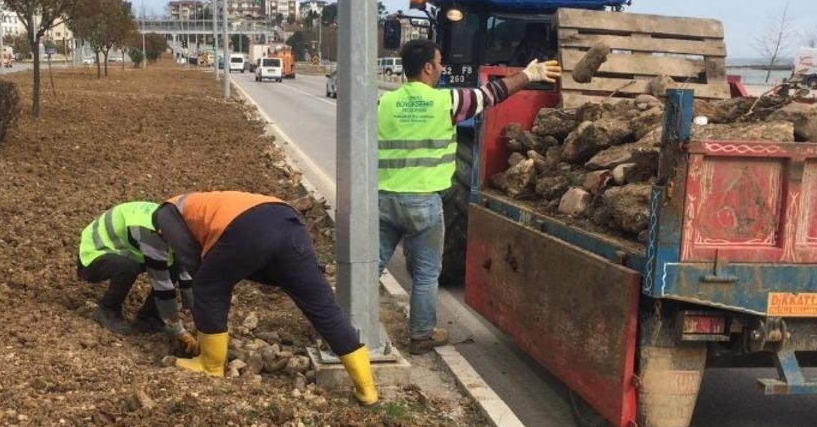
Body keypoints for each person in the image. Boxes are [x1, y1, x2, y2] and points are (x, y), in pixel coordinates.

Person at [377, 38, 560, 353]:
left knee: (369, 266)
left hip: (386, 198)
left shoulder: (386, 103)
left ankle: (349, 330)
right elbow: (491, 94)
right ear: (428, 67)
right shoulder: (446, 102)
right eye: (439, 62)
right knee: (425, 273)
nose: (442, 67)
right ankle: (420, 335)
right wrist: (529, 75)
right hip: (423, 203)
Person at [151, 191, 378, 406]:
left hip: (248, 227)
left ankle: (210, 365)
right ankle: (367, 389)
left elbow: (195, 263)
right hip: (288, 221)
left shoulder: (165, 213)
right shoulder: (204, 203)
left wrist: (203, 316)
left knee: (208, 286)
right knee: (321, 305)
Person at [77, 201, 198, 356]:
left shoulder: (173, 224)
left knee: (173, 264)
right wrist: (178, 330)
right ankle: (107, 310)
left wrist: (196, 314)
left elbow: (183, 270)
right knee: (129, 267)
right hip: (93, 255)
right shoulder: (150, 233)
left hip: (124, 250)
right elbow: (162, 285)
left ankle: (149, 318)